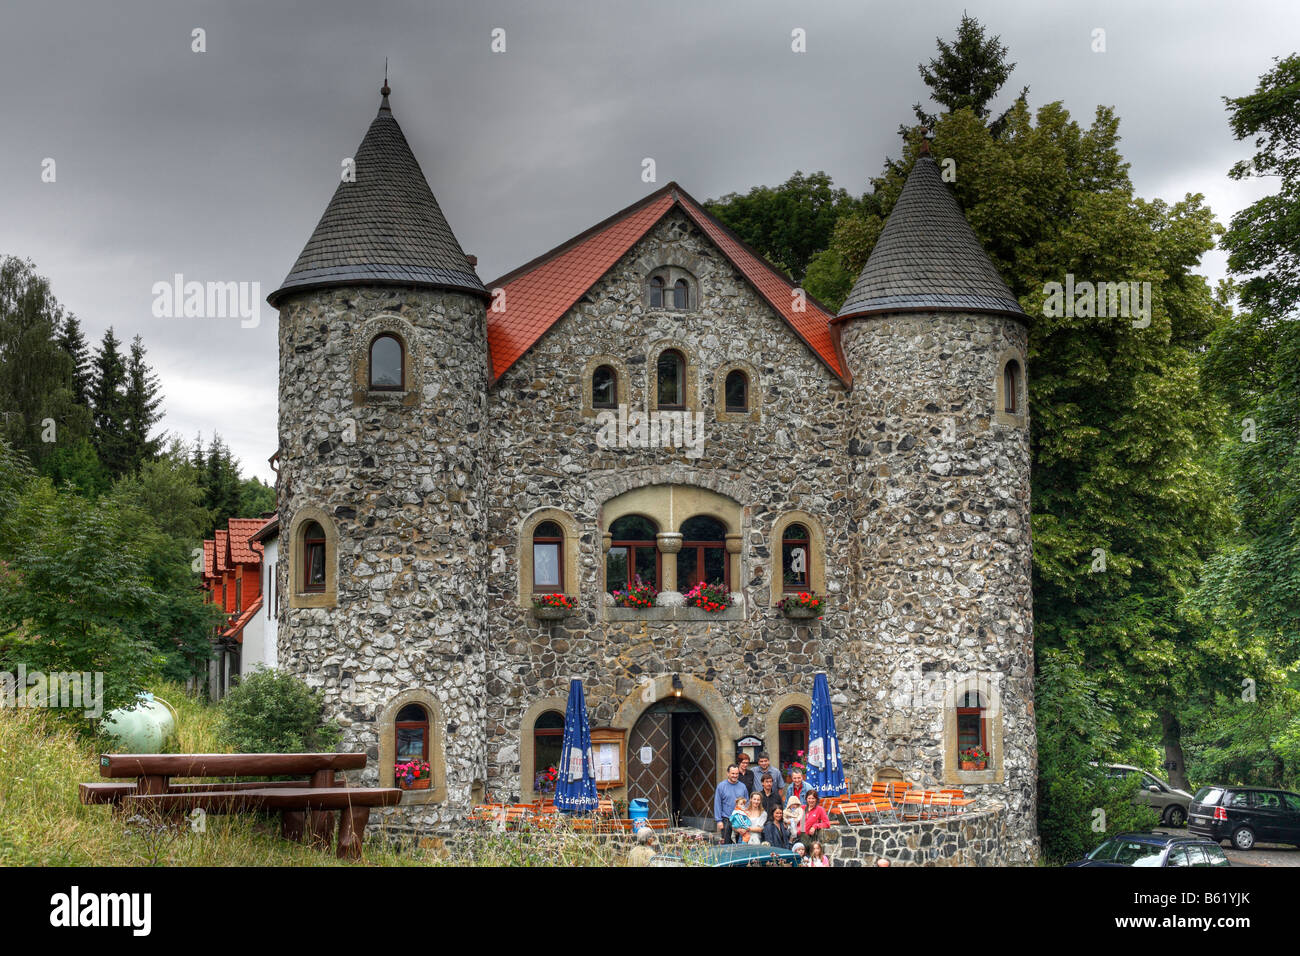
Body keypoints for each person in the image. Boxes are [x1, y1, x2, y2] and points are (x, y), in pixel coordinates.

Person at [713, 764, 748, 843]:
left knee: (740, 844)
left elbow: (747, 803)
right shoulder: (721, 786)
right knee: (726, 844)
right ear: (728, 773)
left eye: (736, 774)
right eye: (733, 773)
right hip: (726, 820)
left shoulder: (743, 786)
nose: (735, 776)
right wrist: (719, 820)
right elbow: (717, 804)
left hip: (740, 820)